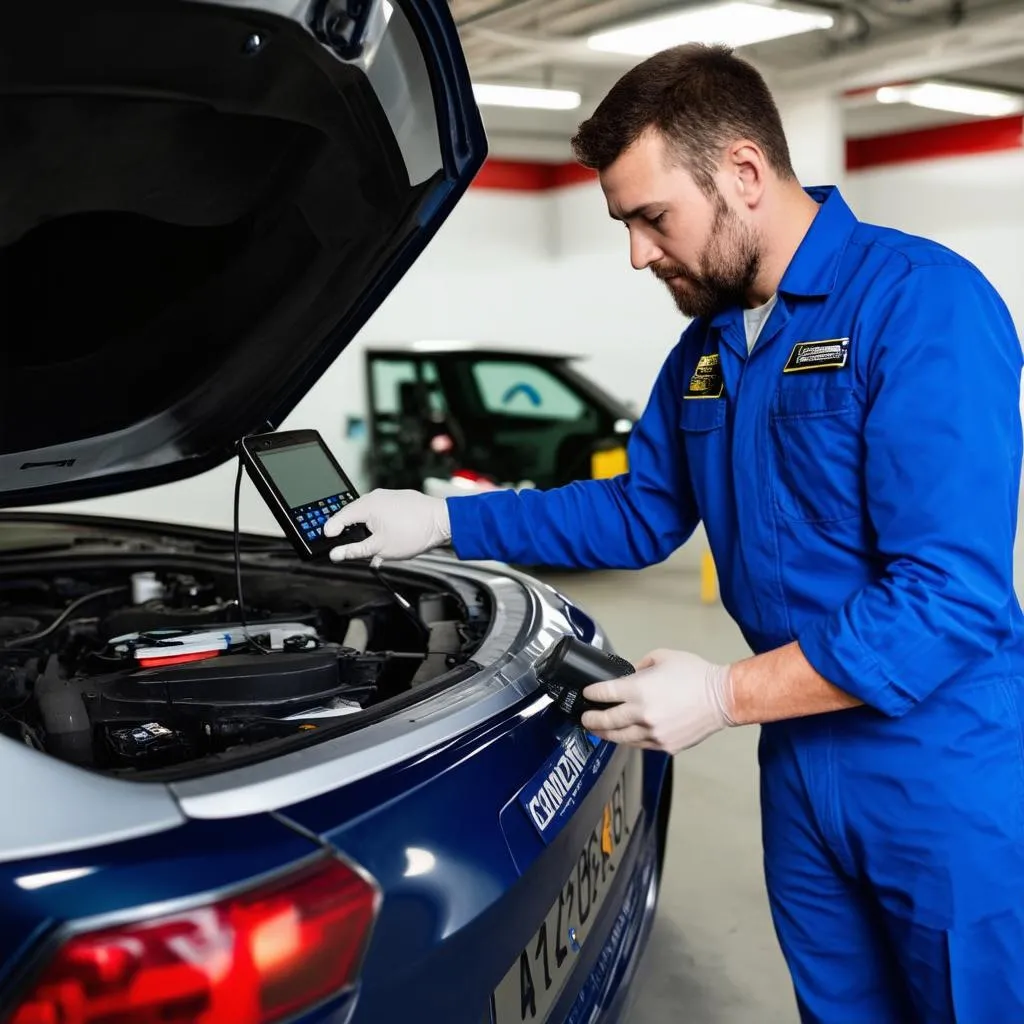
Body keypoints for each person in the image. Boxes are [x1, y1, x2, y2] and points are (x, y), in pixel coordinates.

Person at [324, 42, 1024, 1024]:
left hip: (940, 764)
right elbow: (635, 509)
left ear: (742, 172)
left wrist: (725, 692)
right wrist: (439, 517)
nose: (638, 254)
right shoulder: (706, 347)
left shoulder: (921, 306)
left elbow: (948, 597)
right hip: (798, 754)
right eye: (624, 224)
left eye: (653, 218)